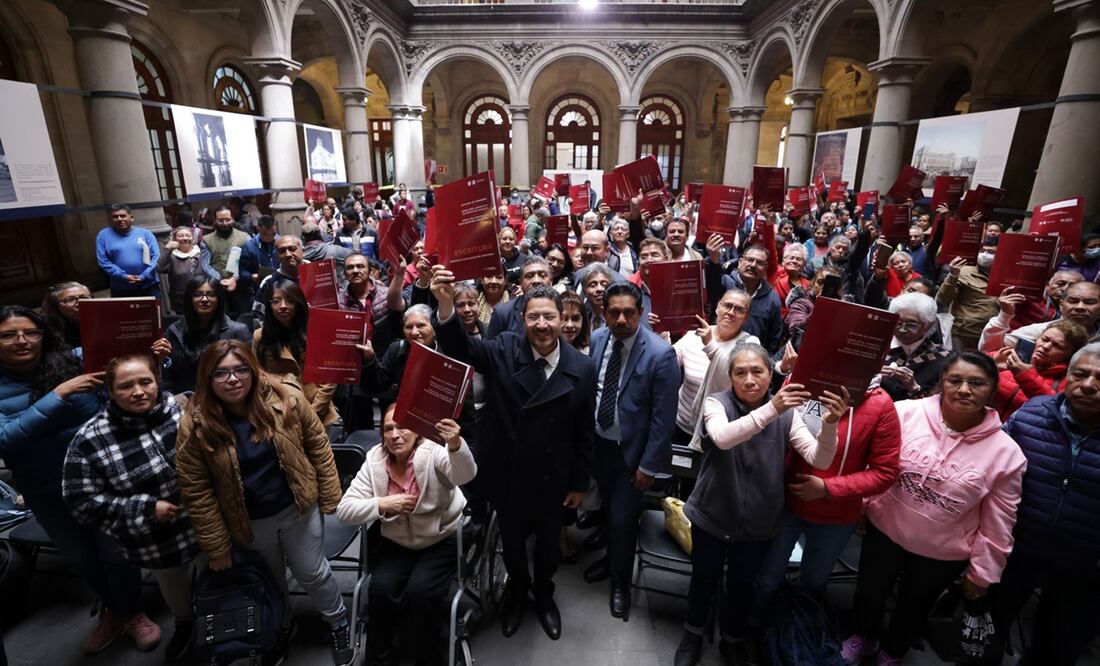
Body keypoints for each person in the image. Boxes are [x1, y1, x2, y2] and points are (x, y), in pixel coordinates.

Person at [431, 273, 597, 642]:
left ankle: (544, 595)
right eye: (534, 317)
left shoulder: (582, 366)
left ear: (562, 318)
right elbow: (462, 350)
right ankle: (517, 593)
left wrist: (579, 483)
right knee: (513, 543)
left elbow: (585, 432)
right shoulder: (503, 348)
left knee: (549, 547)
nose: (542, 325)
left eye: (549, 317)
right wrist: (445, 306)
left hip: (554, 477)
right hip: (508, 473)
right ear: (522, 319)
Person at [841, 352, 1027, 666]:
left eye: (976, 383)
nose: (964, 389)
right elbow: (872, 463)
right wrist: (862, 505)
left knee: (915, 605)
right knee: (869, 592)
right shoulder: (904, 413)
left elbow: (1000, 521)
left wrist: (983, 572)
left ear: (993, 389)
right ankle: (863, 636)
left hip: (942, 552)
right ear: (941, 382)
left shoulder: (1007, 455)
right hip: (885, 528)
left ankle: (893, 652)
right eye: (955, 380)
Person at [176, 340, 351, 666]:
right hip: (247, 520)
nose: (232, 379)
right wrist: (216, 546)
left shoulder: (287, 398)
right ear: (207, 378)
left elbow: (318, 446)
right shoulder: (196, 422)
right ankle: (279, 626)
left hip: (297, 508)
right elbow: (195, 488)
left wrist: (330, 496)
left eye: (241, 370)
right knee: (269, 581)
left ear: (253, 371)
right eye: (221, 373)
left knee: (311, 572)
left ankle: (338, 620)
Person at [674, 343, 846, 666]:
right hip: (713, 514)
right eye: (740, 372)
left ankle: (732, 638)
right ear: (730, 378)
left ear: (771, 375)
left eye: (758, 372)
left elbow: (819, 459)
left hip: (758, 522)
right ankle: (692, 632)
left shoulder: (788, 416)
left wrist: (830, 424)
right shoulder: (717, 403)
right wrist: (772, 410)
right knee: (703, 578)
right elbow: (723, 437)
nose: (750, 380)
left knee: (741, 585)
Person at [0, 306, 155, 654]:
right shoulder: (58, 382)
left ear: (44, 334)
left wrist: (158, 357)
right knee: (81, 556)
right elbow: (6, 438)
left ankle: (133, 612)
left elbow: (132, 372)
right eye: (8, 334)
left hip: (101, 480)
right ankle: (111, 609)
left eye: (30, 332)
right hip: (45, 488)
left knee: (114, 552)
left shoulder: (74, 359)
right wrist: (59, 395)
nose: (21, 340)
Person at [63, 355, 198, 662]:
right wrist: (144, 508)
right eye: (126, 386)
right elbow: (80, 501)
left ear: (157, 382)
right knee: (175, 588)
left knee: (217, 577)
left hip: (207, 520)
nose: (138, 391)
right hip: (157, 536)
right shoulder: (91, 438)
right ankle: (185, 625)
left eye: (145, 382)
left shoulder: (183, 410)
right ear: (110, 390)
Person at [336, 406, 476, 665]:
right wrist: (382, 504)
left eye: (402, 427)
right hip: (397, 540)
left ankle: (425, 657)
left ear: (416, 432)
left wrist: (455, 444)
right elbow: (344, 510)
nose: (395, 434)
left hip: (439, 538)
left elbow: (466, 474)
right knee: (380, 589)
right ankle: (382, 656)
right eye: (388, 429)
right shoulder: (375, 460)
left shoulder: (432, 452)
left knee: (420, 591)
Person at [992, 343, 1100, 665]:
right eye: (1080, 374)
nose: (1089, 384)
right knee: (986, 630)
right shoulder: (1033, 412)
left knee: (1057, 648)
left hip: (1085, 564)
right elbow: (994, 469)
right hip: (1016, 548)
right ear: (1067, 376)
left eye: (1099, 378)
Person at [755, 381, 900, 605]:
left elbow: (885, 472)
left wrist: (828, 488)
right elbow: (774, 435)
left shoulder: (880, 404)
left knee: (814, 581)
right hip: (785, 502)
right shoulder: (800, 381)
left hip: (836, 513)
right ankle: (754, 626)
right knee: (767, 577)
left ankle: (801, 632)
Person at [583, 283, 679, 620]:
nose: (621, 319)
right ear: (603, 313)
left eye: (629, 312)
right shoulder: (596, 341)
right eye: (614, 312)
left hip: (632, 455)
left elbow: (663, 419)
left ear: (639, 312)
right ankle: (612, 562)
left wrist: (648, 466)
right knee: (606, 514)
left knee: (623, 521)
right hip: (599, 447)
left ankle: (620, 584)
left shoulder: (659, 353)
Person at [671, 289, 759, 449]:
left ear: (746, 317)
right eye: (727, 305)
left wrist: (710, 345)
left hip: (720, 432)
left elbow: (737, 378)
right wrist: (661, 331)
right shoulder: (694, 334)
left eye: (739, 309)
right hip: (681, 424)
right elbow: (667, 362)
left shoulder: (750, 344)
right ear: (718, 307)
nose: (731, 312)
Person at [253, 280, 338, 426]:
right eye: (276, 301)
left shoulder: (316, 332)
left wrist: (312, 412)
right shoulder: (260, 336)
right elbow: (257, 374)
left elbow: (329, 379)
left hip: (315, 408)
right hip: (277, 409)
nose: (283, 306)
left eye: (289, 301)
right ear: (269, 305)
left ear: (298, 304)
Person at [163, 276, 251, 394]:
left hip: (227, 400)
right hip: (185, 402)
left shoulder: (238, 331)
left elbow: (249, 373)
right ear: (190, 298)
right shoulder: (174, 331)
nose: (204, 299)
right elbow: (167, 376)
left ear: (219, 299)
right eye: (198, 294)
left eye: (211, 294)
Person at [992, 319, 1088, 419]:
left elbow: (1057, 408)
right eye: (1045, 339)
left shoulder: (1068, 380)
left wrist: (1026, 376)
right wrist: (991, 366)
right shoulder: (1008, 356)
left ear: (1070, 355)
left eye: (1057, 346)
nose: (1046, 346)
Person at [358, 304, 439, 416]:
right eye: (409, 327)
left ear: (434, 327)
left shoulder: (445, 351)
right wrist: (369, 359)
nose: (414, 332)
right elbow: (375, 387)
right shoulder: (396, 349)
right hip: (402, 418)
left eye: (421, 325)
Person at [705, 240, 784, 353]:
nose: (753, 265)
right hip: (716, 352)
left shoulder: (772, 299)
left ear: (766, 267)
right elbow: (709, 282)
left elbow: (774, 338)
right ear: (740, 261)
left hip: (751, 361)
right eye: (749, 260)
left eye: (759, 263)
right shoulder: (724, 283)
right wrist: (713, 261)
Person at [980, 281, 1100, 352]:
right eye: (1073, 301)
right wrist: (1004, 316)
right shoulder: (1040, 331)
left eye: (1089, 302)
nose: (1080, 307)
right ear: (1061, 305)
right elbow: (989, 350)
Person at [879, 292, 951, 401]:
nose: (902, 329)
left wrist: (913, 388)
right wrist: (874, 378)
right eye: (898, 322)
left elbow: (938, 402)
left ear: (928, 325)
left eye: (911, 324)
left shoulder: (944, 358)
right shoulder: (876, 347)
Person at [937, 237, 1000, 351]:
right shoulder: (963, 271)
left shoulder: (1006, 276)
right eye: (982, 251)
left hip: (991, 333)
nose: (984, 255)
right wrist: (953, 275)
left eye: (991, 252)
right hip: (963, 333)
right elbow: (943, 299)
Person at [96, 204, 160, 297]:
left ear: (131, 217)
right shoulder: (103, 235)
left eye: (123, 216)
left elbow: (156, 256)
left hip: (148, 285)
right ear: (111, 220)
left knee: (153, 311)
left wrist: (144, 275)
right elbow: (103, 261)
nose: (119, 219)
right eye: (115, 217)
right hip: (120, 287)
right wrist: (123, 276)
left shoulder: (145, 233)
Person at [157, 226, 220, 313]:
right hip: (180, 301)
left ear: (193, 238)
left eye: (188, 235)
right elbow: (160, 268)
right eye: (181, 236)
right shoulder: (172, 256)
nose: (185, 238)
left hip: (202, 298)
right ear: (175, 239)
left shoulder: (201, 254)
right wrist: (167, 248)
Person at [485, 257, 553, 338]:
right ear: (520, 282)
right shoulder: (502, 313)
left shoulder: (563, 308)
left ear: (551, 281)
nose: (536, 280)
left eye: (542, 275)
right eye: (530, 276)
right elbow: (491, 348)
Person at [204, 205, 252, 315]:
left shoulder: (245, 238)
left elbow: (247, 263)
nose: (225, 223)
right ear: (215, 221)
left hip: (241, 287)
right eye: (221, 220)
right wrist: (220, 280)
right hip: (217, 287)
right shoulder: (206, 240)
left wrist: (234, 279)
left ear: (233, 219)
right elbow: (205, 264)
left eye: (227, 220)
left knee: (244, 320)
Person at [253, 235, 307, 319]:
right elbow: (258, 315)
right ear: (277, 256)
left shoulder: (319, 274)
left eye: (292, 249)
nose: (288, 254)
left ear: (303, 251)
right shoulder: (269, 283)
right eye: (282, 251)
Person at [41, 281, 92, 348]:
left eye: (85, 297)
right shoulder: (47, 334)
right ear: (54, 306)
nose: (80, 303)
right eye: (70, 300)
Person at [770, 244, 810, 318]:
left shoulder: (808, 284)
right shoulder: (775, 275)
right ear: (783, 261)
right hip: (774, 318)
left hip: (796, 322)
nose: (794, 261)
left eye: (798, 259)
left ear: (803, 264)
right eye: (791, 258)